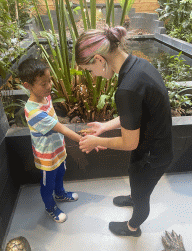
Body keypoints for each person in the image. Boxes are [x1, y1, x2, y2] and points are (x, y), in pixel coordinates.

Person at [75, 26, 173, 237]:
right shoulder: (138, 66)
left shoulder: (127, 87)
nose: (93, 77)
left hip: (152, 156)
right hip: (155, 145)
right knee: (135, 180)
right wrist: (104, 127)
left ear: (100, 59)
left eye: (90, 70)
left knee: (142, 195)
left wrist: (95, 142)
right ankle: (134, 196)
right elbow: (136, 115)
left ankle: (132, 228)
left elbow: (129, 143)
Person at [18, 58, 81, 223]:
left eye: (50, 80)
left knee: (61, 173)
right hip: (46, 156)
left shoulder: (46, 97)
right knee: (48, 183)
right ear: (28, 85)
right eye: (43, 83)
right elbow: (61, 128)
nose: (49, 86)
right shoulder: (33, 112)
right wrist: (83, 140)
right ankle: (50, 207)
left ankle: (60, 194)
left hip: (58, 149)